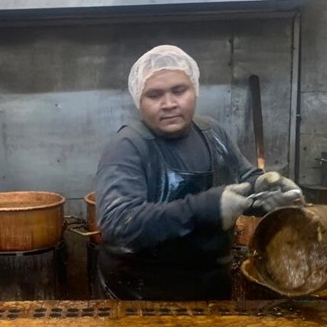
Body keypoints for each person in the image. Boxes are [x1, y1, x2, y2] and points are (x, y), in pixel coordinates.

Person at [95, 45, 302, 301]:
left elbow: (242, 176)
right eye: (154, 95)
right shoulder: (128, 147)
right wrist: (206, 208)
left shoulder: (212, 133)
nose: (169, 104)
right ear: (139, 100)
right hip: (143, 294)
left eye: (179, 91)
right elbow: (118, 223)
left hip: (210, 286)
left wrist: (261, 186)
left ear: (195, 90)